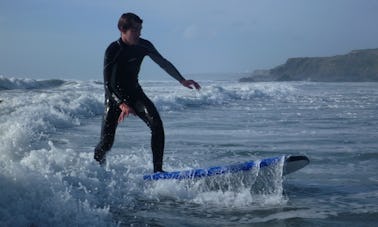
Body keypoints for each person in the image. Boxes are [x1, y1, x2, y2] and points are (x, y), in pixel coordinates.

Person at [94, 13, 201, 172]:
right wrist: (121, 103)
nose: (139, 33)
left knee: (157, 125)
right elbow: (108, 84)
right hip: (114, 98)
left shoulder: (144, 45)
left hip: (135, 94)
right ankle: (96, 171)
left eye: (140, 29)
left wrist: (181, 80)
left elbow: (163, 63)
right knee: (106, 143)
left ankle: (158, 171)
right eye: (135, 30)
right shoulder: (113, 50)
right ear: (123, 30)